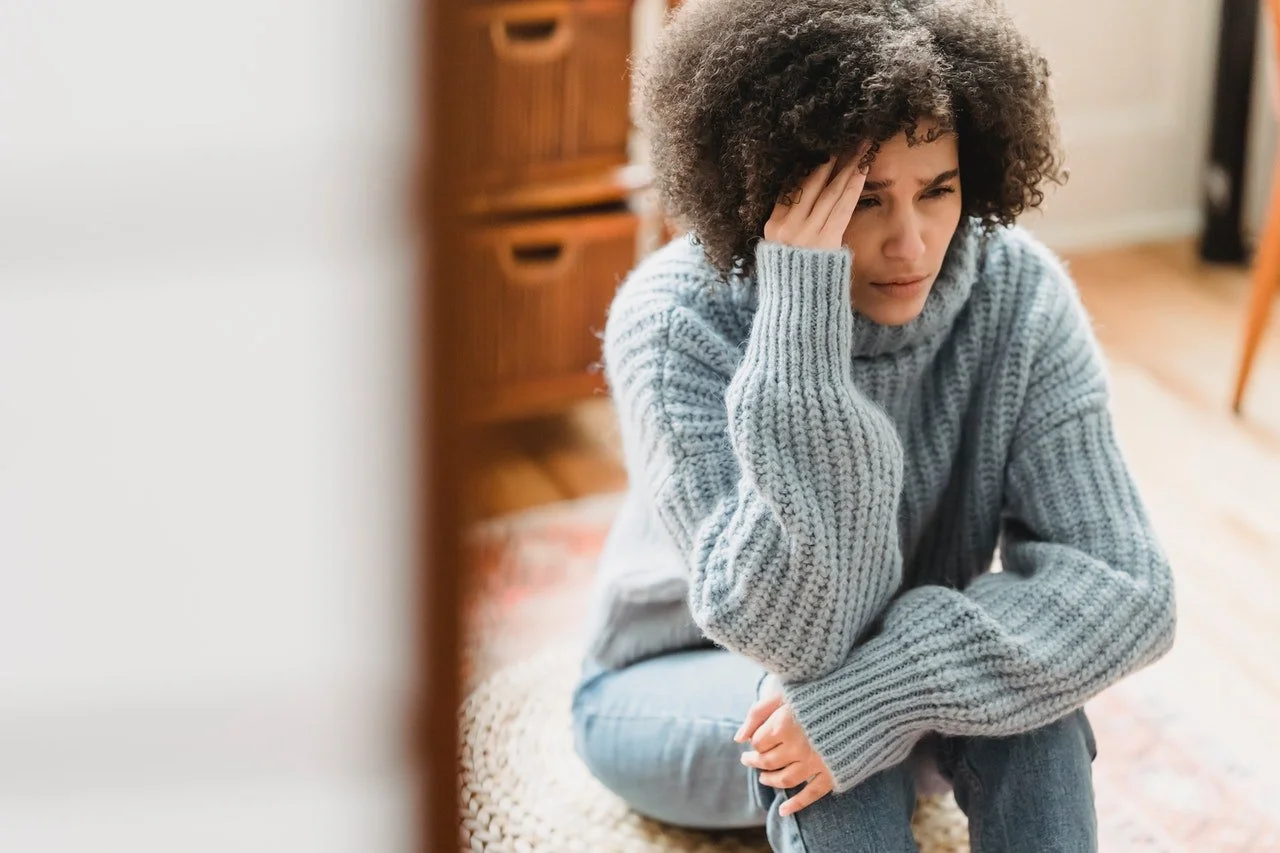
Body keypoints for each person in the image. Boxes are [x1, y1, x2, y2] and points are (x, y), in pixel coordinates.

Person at [571, 0, 1177, 850]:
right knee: (808, 722)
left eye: (938, 191)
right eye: (863, 200)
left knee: (1027, 709)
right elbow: (792, 633)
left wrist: (887, 689)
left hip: (879, 666)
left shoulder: (1018, 295)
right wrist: (801, 328)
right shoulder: (677, 321)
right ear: (771, 190)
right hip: (674, 676)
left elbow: (1127, 585)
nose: (911, 244)